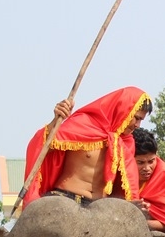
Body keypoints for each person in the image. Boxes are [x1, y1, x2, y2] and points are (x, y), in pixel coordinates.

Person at [23, 87, 152, 206]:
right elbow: (42, 146)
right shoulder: (83, 123)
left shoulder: (126, 143)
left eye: (141, 120)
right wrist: (56, 120)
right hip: (66, 199)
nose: (137, 125)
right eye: (136, 118)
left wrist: (132, 205)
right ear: (123, 110)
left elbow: (122, 188)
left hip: (100, 206)